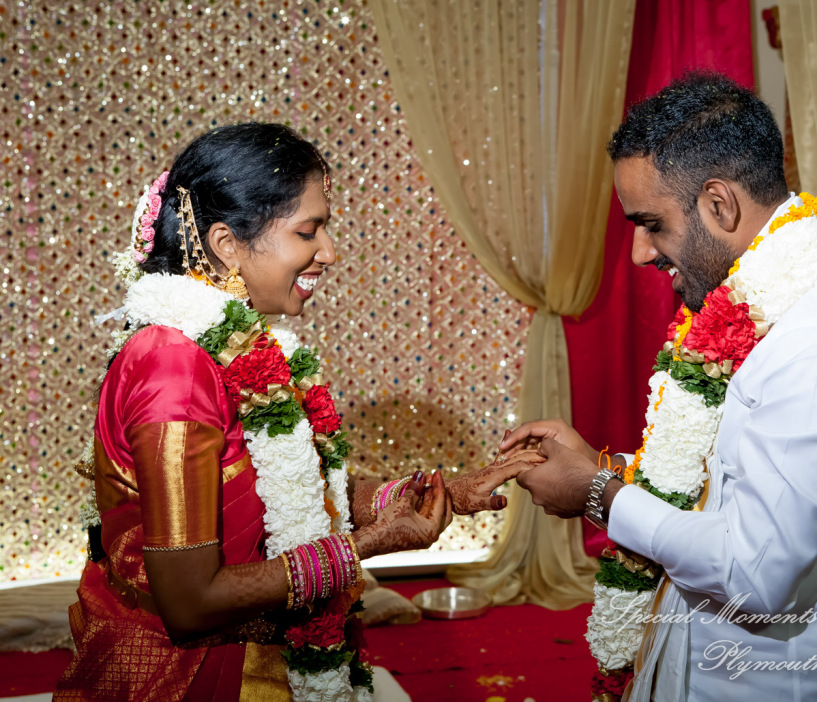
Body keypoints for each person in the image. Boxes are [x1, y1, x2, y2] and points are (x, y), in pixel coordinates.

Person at [55, 123, 524, 701]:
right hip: (184, 679)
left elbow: (283, 492)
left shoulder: (237, 347)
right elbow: (190, 603)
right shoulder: (172, 366)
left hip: (257, 662)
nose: (329, 252)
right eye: (309, 230)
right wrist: (370, 546)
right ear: (228, 245)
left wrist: (437, 492)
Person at [502, 73, 817, 700]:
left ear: (719, 204)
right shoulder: (771, 301)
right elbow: (735, 482)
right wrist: (603, 466)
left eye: (651, 224)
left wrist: (598, 495)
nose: (640, 254)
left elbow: (755, 577)